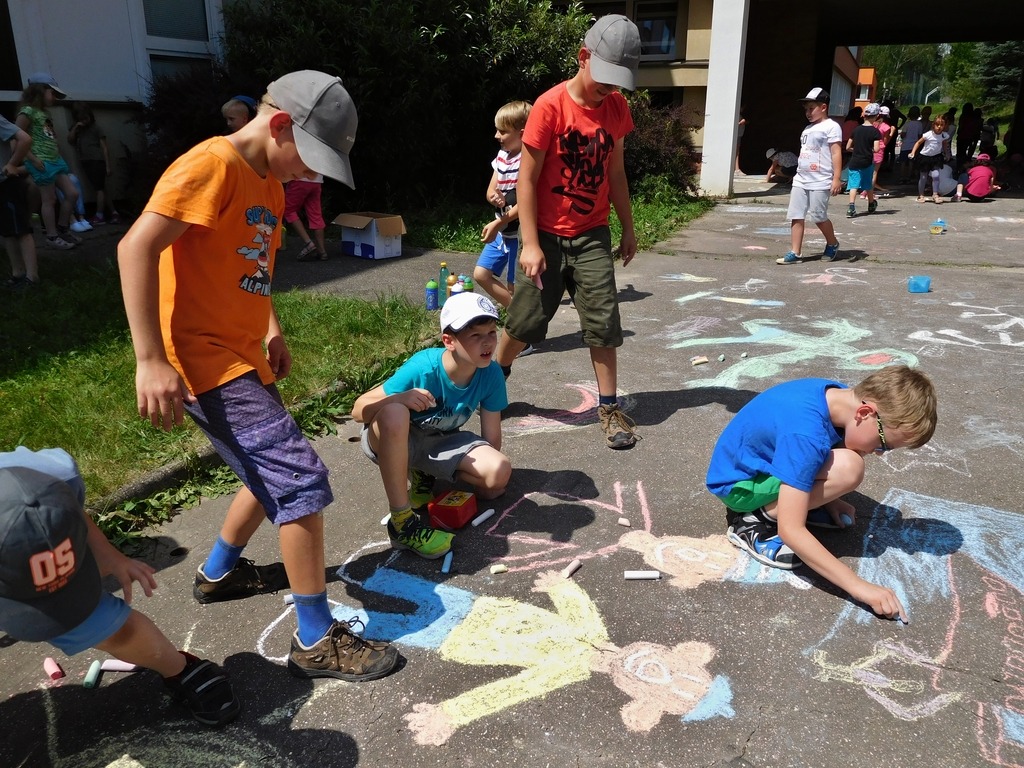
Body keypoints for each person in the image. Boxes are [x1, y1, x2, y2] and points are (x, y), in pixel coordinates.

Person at [116, 70, 399, 682]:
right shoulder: (210, 166)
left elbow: (253, 270)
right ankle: (315, 640)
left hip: (241, 353)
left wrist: (271, 328)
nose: (311, 173)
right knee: (299, 479)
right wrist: (150, 359)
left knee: (267, 464)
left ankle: (219, 573)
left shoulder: (270, 183)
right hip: (202, 360)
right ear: (280, 126)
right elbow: (136, 247)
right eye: (311, 157)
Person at [0, 447, 240, 726]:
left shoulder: (52, 480)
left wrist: (108, 554)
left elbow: (71, 511)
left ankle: (179, 669)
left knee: (107, 626)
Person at [493, 14, 642, 451]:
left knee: (604, 322)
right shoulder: (549, 107)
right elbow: (526, 179)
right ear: (583, 57)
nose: (609, 89)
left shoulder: (616, 108)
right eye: (604, 79)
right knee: (524, 322)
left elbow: (616, 173)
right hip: (545, 234)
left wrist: (628, 227)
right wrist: (530, 243)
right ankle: (492, 384)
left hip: (592, 233)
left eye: (617, 82)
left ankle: (609, 409)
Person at [705, 365, 938, 621]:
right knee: (849, 467)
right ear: (865, 412)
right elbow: (791, 530)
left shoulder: (837, 396)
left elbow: (819, 446)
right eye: (884, 444)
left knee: (849, 461)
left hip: (759, 464)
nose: (880, 453)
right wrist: (859, 587)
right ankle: (753, 521)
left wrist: (830, 500)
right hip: (739, 486)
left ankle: (794, 500)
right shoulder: (806, 434)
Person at [352, 291, 511, 560]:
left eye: (491, 333)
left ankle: (423, 474)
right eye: (475, 335)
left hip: (440, 440)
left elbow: (492, 437)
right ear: (449, 341)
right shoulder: (423, 367)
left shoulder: (491, 373)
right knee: (394, 412)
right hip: (399, 438)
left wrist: (489, 484)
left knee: (498, 473)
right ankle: (402, 522)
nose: (487, 343)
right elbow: (358, 410)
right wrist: (399, 398)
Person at [474, 100, 532, 313]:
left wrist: (499, 222)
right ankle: (518, 315)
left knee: (514, 286)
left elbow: (527, 202)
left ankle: (519, 324)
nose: (496, 135)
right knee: (481, 274)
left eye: (503, 131)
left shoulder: (529, 160)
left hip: (519, 233)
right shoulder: (502, 157)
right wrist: (495, 198)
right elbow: (491, 190)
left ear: (522, 134)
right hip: (502, 229)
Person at [775, 87, 842, 266]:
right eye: (806, 109)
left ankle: (832, 243)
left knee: (818, 216)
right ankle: (795, 253)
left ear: (823, 107)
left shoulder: (832, 126)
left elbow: (836, 153)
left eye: (811, 108)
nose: (808, 112)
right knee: (796, 215)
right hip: (801, 178)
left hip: (820, 179)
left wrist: (836, 178)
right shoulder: (807, 128)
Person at [15, 73, 81, 250]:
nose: (55, 98)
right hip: (41, 162)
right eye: (53, 93)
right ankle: (52, 236)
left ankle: (63, 229)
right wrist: (32, 159)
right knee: (49, 200)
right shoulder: (27, 112)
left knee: (72, 193)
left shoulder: (45, 113)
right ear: (39, 91)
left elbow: (48, 136)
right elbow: (16, 138)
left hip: (55, 161)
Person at [1, 115, 40, 288]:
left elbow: (25, 139)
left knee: (21, 230)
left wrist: (12, 164)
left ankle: (32, 277)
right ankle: (18, 273)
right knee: (7, 231)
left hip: (7, 184)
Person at [68, 101, 120, 226]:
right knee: (101, 187)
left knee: (99, 189)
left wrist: (107, 165)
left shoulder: (96, 128)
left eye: (86, 118)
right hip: (85, 161)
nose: (85, 121)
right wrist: (76, 128)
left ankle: (99, 215)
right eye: (82, 119)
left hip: (97, 160)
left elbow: (104, 147)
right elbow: (70, 140)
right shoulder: (78, 129)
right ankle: (114, 213)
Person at [845, 103, 881, 218]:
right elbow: (876, 149)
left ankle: (851, 207)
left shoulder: (856, 130)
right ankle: (871, 204)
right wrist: (868, 149)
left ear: (864, 115)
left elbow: (848, 147)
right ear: (876, 116)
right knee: (867, 184)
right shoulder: (875, 132)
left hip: (854, 161)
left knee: (853, 185)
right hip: (867, 161)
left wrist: (856, 149)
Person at [908, 114, 950, 203]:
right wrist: (913, 152)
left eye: (941, 125)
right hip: (925, 157)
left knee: (936, 175)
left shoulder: (944, 135)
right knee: (923, 177)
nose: (939, 127)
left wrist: (946, 154)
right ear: (933, 125)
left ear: (944, 126)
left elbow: (944, 144)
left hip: (936, 157)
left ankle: (935, 194)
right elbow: (918, 143)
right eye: (937, 125)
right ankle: (921, 195)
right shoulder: (928, 134)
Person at [285, 174, 328, 261]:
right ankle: (322, 252)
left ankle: (309, 243)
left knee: (288, 211)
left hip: (299, 180)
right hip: (317, 181)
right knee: (316, 215)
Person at [867, 105, 894, 195]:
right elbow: (885, 141)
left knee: (868, 171)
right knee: (874, 173)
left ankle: (864, 191)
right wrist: (892, 133)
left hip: (870, 148)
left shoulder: (872, 124)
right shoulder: (886, 127)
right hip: (879, 149)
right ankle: (869, 193)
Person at [896, 106, 923, 183]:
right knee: (911, 162)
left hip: (905, 145)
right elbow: (920, 135)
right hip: (914, 146)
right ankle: (908, 177)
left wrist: (901, 135)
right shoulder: (919, 124)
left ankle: (902, 177)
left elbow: (903, 135)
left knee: (903, 162)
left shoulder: (907, 124)